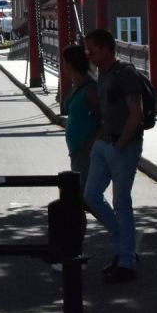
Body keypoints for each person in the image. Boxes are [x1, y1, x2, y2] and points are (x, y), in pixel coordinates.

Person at [82, 29, 144, 283]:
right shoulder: (103, 73)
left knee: (121, 202)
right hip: (105, 142)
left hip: (122, 145)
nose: (89, 55)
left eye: (92, 50)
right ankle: (124, 244)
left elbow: (136, 113)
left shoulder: (125, 74)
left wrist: (120, 144)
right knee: (91, 196)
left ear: (106, 49)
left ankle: (126, 261)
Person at [61, 44, 100, 174]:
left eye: (64, 62)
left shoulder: (90, 89)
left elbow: (103, 118)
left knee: (85, 190)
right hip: (77, 150)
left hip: (86, 151)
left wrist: (90, 143)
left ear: (70, 65)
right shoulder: (76, 85)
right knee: (81, 188)